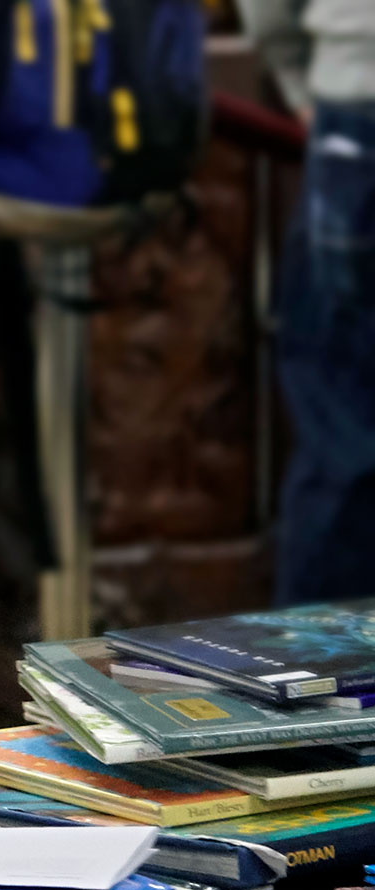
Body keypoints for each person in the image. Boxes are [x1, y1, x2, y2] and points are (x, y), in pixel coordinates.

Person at [235, 0, 375, 603]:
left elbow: (269, 15)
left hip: (360, 103)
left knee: (343, 436)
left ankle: (321, 691)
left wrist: (298, 79)